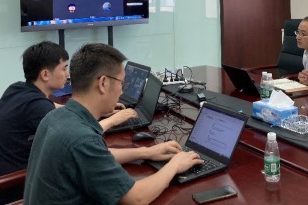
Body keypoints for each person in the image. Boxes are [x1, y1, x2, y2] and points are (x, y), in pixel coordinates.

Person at [24, 43, 203, 204]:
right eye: (122, 84)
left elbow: (97, 156)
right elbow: (136, 198)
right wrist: (175, 165)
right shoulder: (83, 139)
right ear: (103, 83)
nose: (122, 91)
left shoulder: (55, 117)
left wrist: (146, 152)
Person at [0, 41, 137, 205]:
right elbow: (76, 133)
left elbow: (58, 108)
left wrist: (99, 108)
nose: (68, 74)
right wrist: (113, 120)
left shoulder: (18, 88)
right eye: (63, 68)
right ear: (45, 74)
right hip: (9, 186)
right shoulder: (41, 110)